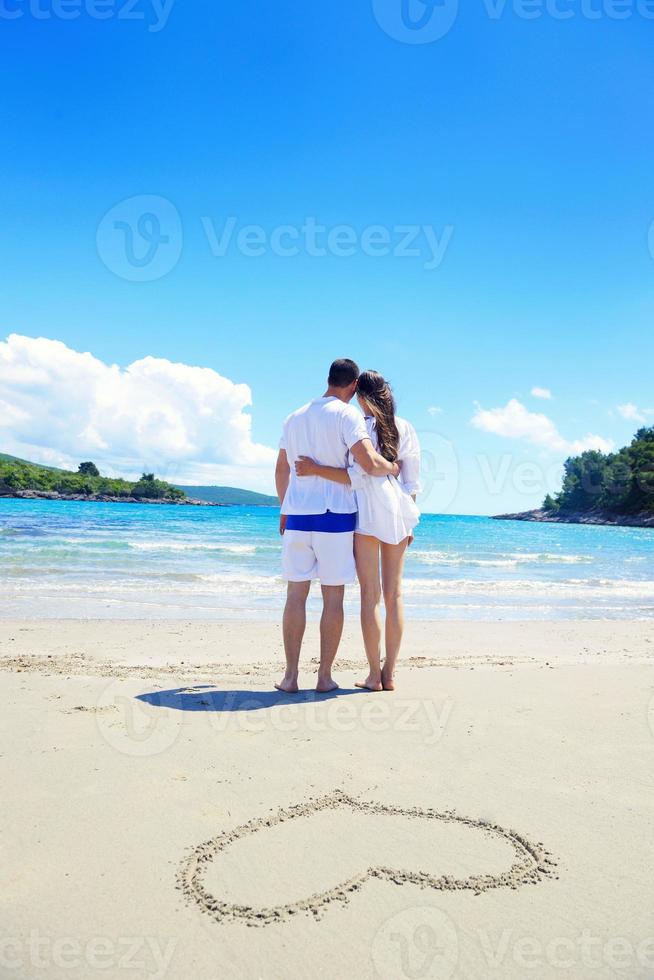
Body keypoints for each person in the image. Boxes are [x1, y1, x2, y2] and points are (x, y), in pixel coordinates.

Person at [274, 359, 400, 694]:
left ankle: (290, 677)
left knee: (295, 596)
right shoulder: (347, 415)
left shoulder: (294, 416)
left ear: (328, 379)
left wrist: (284, 507)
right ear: (354, 384)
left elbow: (281, 471)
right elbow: (369, 463)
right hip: (335, 517)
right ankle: (324, 677)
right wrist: (393, 466)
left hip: (297, 517)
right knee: (333, 599)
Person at [295, 370, 421, 692]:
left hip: (365, 514)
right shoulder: (405, 427)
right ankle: (389, 673)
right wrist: (409, 518)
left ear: (360, 396)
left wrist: (314, 469)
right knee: (395, 595)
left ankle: (373, 676)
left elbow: (356, 477)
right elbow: (411, 483)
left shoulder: (358, 427)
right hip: (398, 513)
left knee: (370, 597)